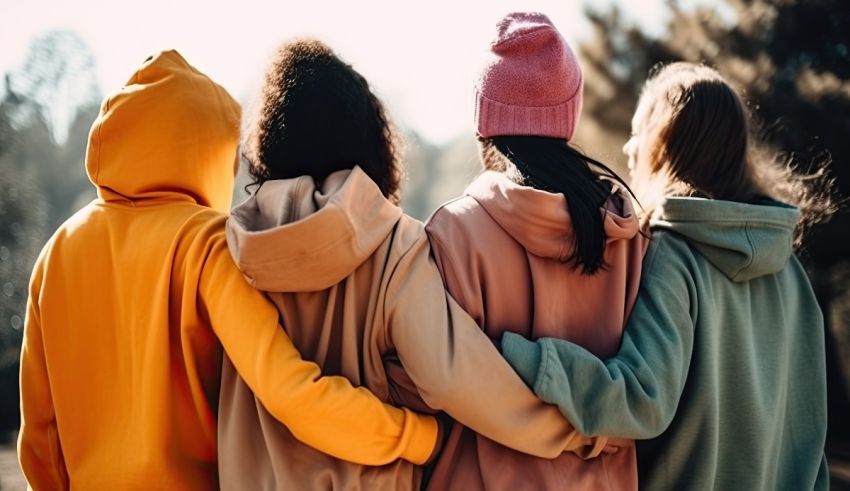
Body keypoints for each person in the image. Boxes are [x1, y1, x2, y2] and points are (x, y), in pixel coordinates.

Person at [17, 50, 442, 490]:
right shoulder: (207, 242)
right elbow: (290, 394)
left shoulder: (56, 252)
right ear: (211, 152)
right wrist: (420, 436)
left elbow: (40, 435)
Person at [217, 38, 601, 490]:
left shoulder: (229, 251)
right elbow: (461, 380)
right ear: (368, 135)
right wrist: (581, 432)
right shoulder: (394, 245)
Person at [500, 62, 833, 490]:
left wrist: (521, 356)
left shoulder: (672, 252)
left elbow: (642, 399)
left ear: (664, 146)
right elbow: (812, 433)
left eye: (639, 132)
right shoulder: (790, 269)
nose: (628, 147)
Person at [424, 12, 648, 490]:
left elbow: (422, 383)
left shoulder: (452, 232)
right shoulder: (631, 235)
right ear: (568, 113)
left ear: (484, 119)